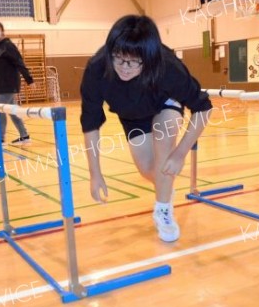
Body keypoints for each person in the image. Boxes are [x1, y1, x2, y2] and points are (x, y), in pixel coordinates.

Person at [80, 15, 212, 243]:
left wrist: (180, 154)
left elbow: (204, 109)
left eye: (133, 62)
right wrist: (95, 174)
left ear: (148, 59)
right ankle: (165, 188)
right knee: (150, 171)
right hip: (132, 116)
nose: (124, 67)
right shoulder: (97, 69)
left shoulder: (169, 67)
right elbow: (90, 123)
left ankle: (163, 210)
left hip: (164, 104)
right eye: (118, 59)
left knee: (165, 144)